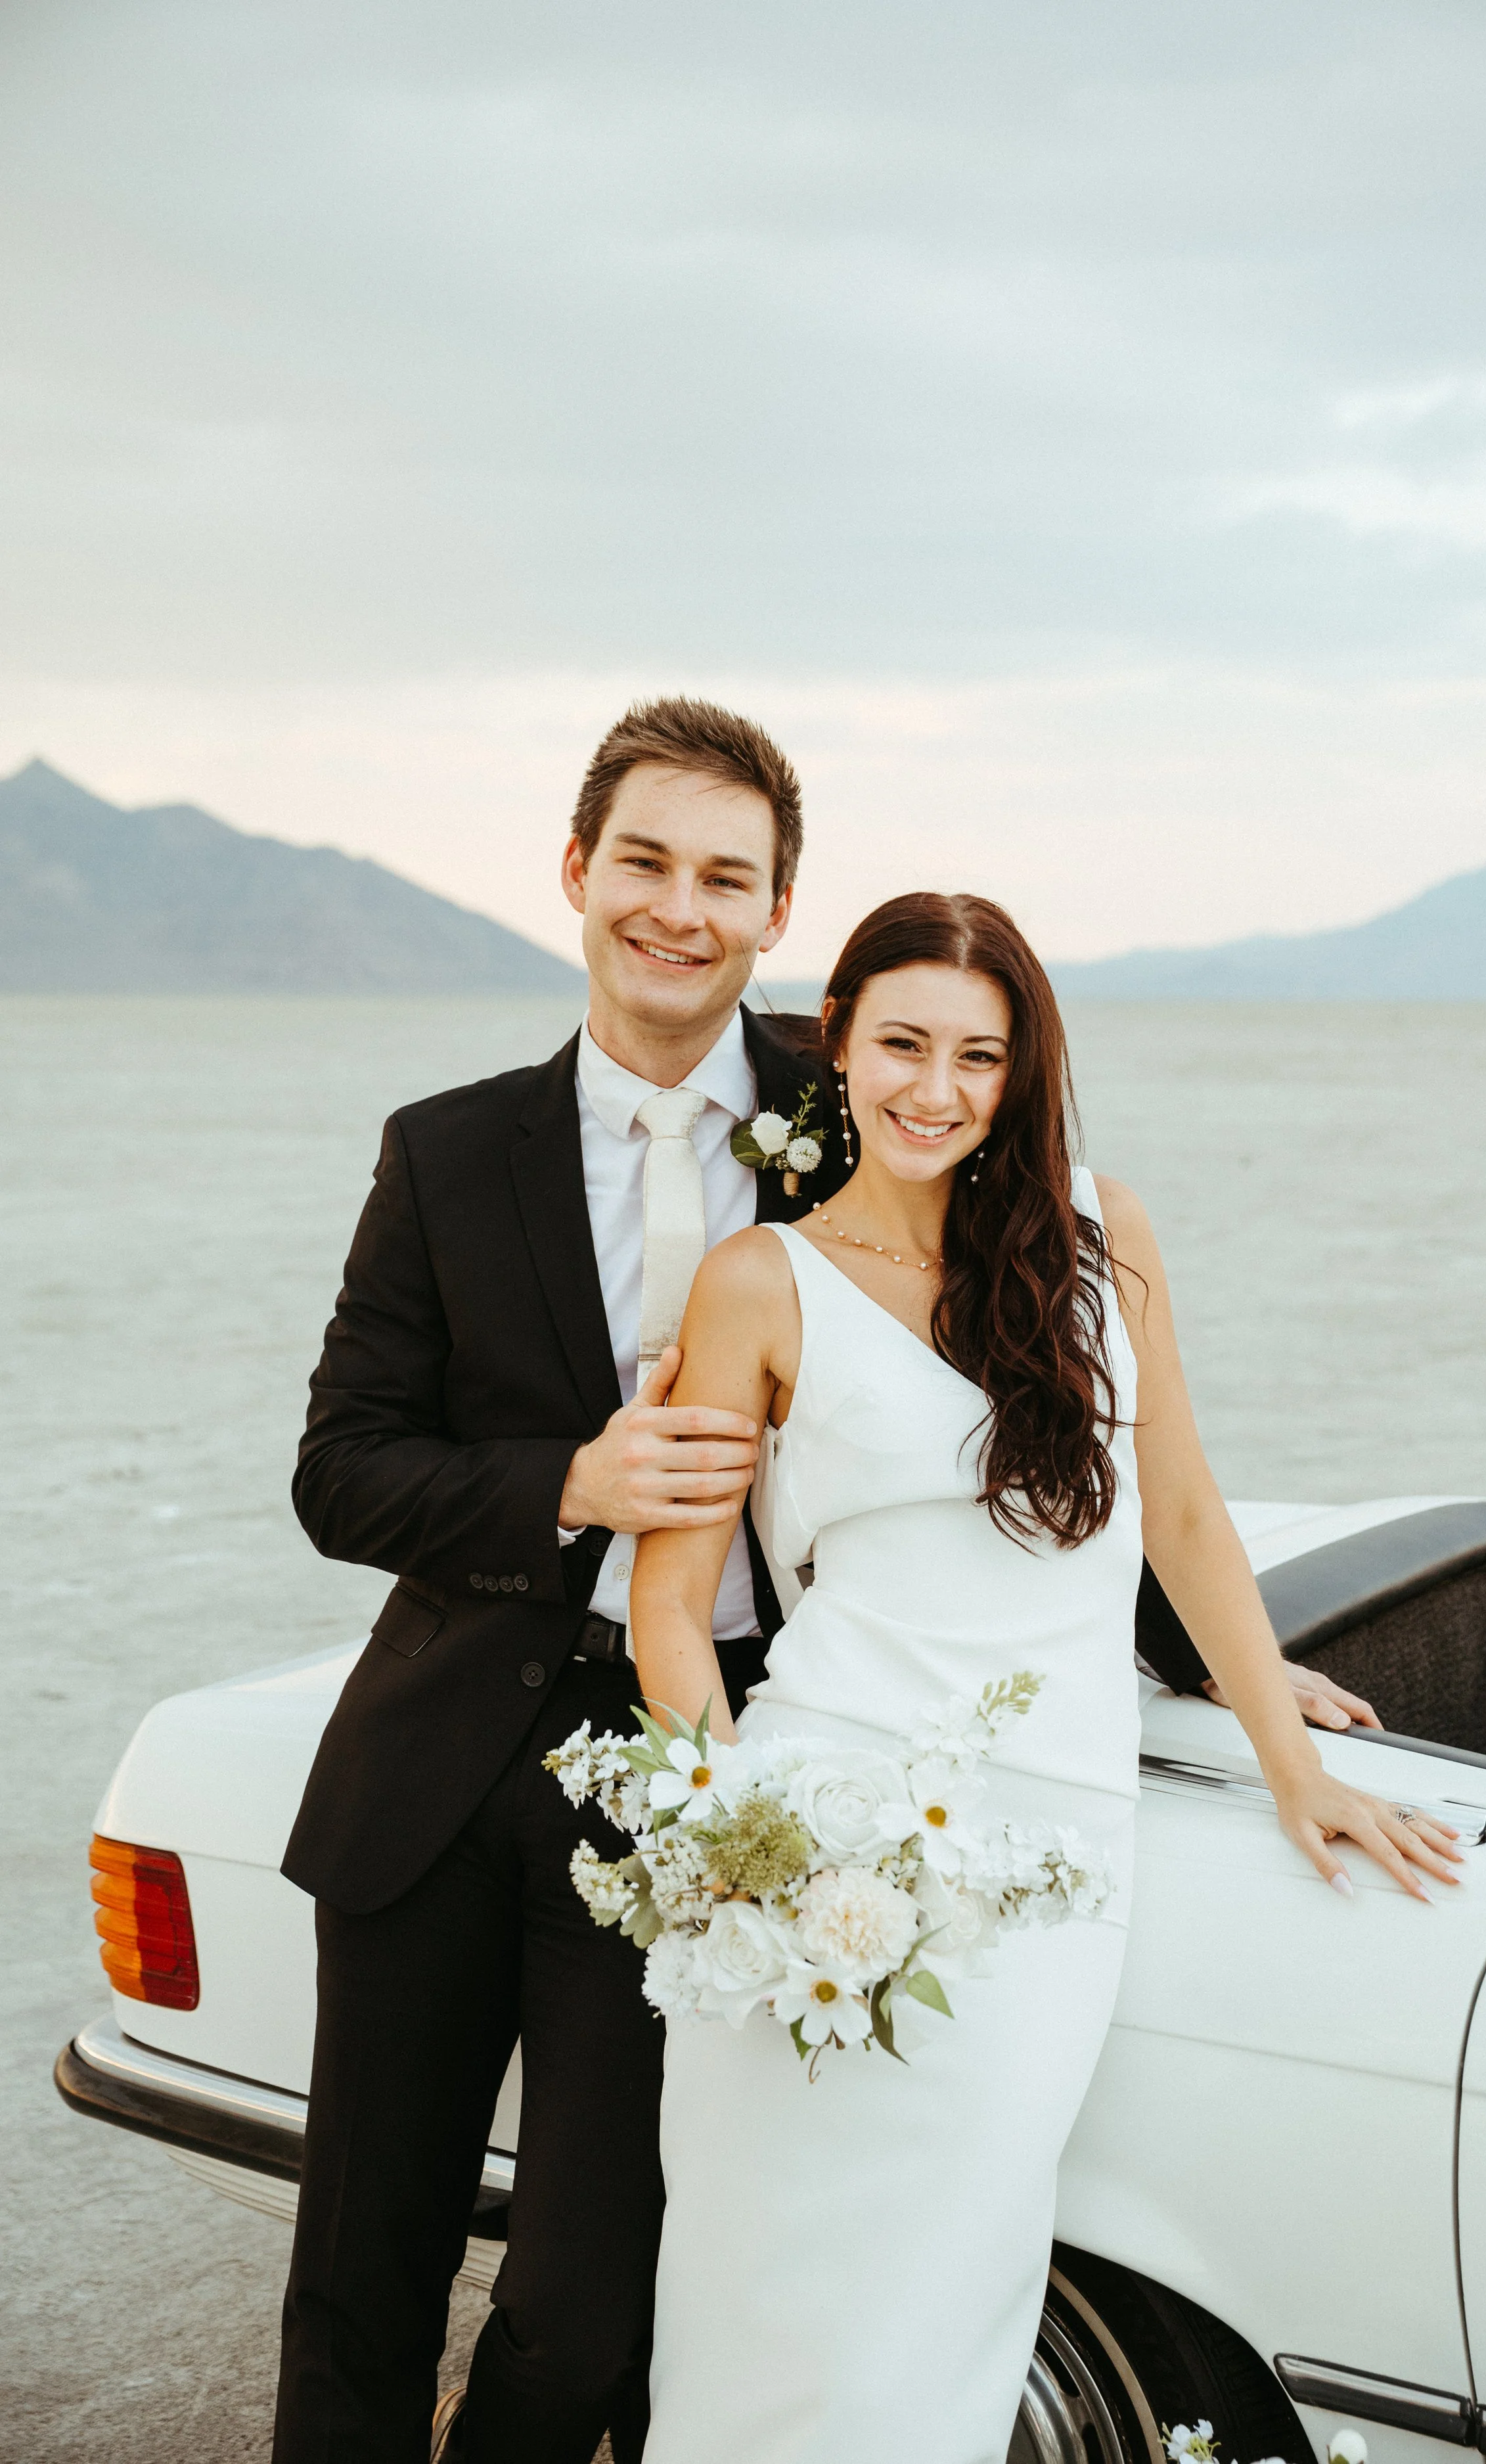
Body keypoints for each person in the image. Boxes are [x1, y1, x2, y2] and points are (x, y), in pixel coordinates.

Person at [627, 890, 1463, 2464]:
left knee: (958, 2279)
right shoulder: (759, 1280)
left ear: (1021, 1072)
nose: (933, 1089)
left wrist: (1293, 1759)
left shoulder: (1100, 1233)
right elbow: (672, 1608)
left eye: (977, 1056)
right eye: (898, 1045)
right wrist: (734, 1847)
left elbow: (1186, 1515)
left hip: (1050, 1845)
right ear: (840, 1047)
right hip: (815, 1829)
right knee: (764, 2291)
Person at [272, 698, 851, 2464]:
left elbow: (996, 1414)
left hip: (689, 1764)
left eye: (725, 876)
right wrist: (567, 1485)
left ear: (775, 910)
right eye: (647, 862)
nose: (680, 907)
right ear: (576, 871)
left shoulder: (854, 1113)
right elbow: (341, 1465)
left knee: (594, 2305)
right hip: (439, 1773)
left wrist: (1209, 1651)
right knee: (366, 2271)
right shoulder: (445, 1149)